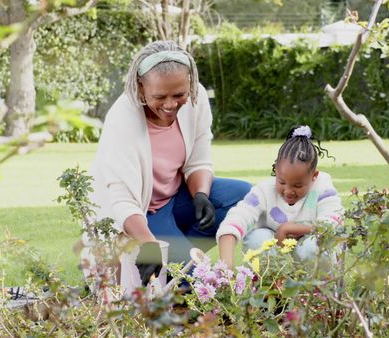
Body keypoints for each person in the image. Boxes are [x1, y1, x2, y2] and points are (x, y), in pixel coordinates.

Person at [85, 40, 251, 288]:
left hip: (174, 199)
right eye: (159, 96)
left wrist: (202, 195)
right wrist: (149, 245)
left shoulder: (196, 98)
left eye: (179, 95)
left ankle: (177, 253)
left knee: (245, 196)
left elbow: (199, 160)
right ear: (141, 87)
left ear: (190, 84)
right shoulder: (123, 119)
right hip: (141, 213)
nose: (171, 104)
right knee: (196, 282)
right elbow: (122, 202)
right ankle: (170, 259)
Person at [216, 125, 343, 268]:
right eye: (282, 182)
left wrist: (289, 228)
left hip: (311, 255)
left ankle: (317, 287)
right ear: (276, 170)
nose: (288, 191)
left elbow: (332, 225)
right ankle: (270, 284)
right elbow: (239, 217)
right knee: (256, 239)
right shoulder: (264, 191)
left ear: (314, 176)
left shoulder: (322, 187)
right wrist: (225, 269)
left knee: (312, 246)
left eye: (298, 186)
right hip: (278, 252)